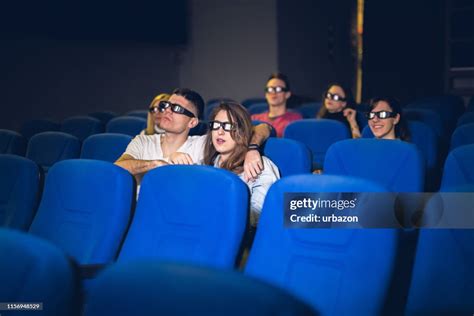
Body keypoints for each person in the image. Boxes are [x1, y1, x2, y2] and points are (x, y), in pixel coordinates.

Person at [115, 88, 271, 187]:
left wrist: (252, 148)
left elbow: (263, 127)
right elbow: (117, 168)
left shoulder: (204, 144)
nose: (167, 111)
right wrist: (155, 164)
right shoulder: (142, 141)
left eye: (176, 108)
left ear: (193, 122)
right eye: (166, 106)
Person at [203, 102, 280, 227]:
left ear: (242, 132)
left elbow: (258, 215)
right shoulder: (210, 163)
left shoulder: (261, 165)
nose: (220, 132)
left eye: (228, 126)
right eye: (216, 125)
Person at [251, 73, 302, 137]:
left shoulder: (295, 119)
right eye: (270, 89)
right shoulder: (254, 119)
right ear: (265, 94)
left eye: (278, 89)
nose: (273, 93)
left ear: (287, 94)